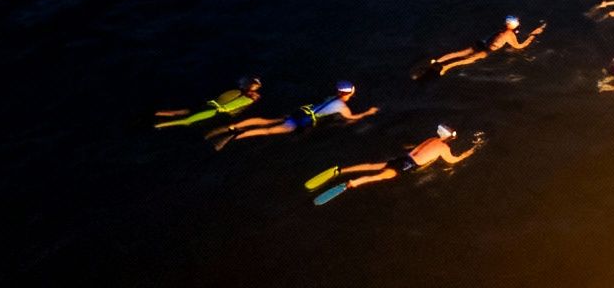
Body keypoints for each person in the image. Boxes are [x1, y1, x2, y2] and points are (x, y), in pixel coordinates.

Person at [210, 81, 377, 149]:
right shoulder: (342, 107)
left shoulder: (331, 97)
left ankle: (235, 126)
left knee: (265, 121)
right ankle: (235, 137)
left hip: (299, 112)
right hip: (301, 121)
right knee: (268, 131)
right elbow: (351, 118)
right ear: (349, 94)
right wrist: (367, 113)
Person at [327, 125, 479, 194]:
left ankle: (341, 170)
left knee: (372, 165)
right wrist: (468, 153)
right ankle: (353, 183)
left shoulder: (432, 138)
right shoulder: (444, 148)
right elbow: (452, 161)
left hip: (404, 157)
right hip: (409, 164)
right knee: (379, 176)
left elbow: (418, 147)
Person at [428, 15, 545, 75]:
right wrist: (532, 37)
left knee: (458, 53)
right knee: (464, 60)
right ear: (513, 24)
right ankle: (444, 68)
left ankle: (436, 61)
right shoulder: (509, 34)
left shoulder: (502, 28)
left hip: (480, 43)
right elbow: (518, 46)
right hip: (486, 50)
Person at [153, 77, 262, 129]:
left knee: (184, 113)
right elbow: (229, 107)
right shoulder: (245, 95)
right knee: (187, 119)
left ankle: (157, 115)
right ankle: (159, 122)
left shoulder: (237, 90)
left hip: (209, 105)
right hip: (213, 109)